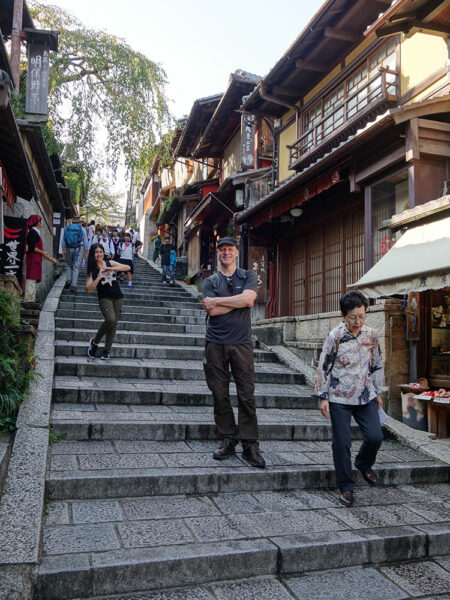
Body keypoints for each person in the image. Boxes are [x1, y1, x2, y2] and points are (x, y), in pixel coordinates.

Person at [316, 290, 384, 508]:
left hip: (366, 394)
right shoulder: (334, 337)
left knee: (375, 436)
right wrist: (323, 397)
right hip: (339, 397)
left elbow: (376, 364)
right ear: (342, 315)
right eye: (353, 317)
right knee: (342, 443)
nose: (358, 321)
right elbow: (323, 368)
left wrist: (378, 391)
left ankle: (363, 463)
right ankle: (346, 486)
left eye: (362, 316)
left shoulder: (371, 335)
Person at [202, 237, 265, 468]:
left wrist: (220, 301)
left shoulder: (247, 276)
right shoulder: (210, 280)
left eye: (229, 249)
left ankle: (250, 444)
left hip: (241, 343)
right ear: (218, 254)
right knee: (219, 392)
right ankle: (227, 439)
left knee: (246, 393)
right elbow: (212, 311)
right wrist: (236, 302)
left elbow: (249, 300)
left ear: (236, 252)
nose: (226, 253)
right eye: (222, 250)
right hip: (215, 343)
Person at [85, 243, 130, 360]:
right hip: (105, 298)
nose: (99, 254)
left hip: (118, 297)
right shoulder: (92, 269)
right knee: (110, 319)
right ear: (93, 254)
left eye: (101, 252)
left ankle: (106, 350)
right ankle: (94, 343)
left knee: (114, 324)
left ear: (103, 253)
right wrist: (99, 277)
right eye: (96, 252)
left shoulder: (110, 263)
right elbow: (89, 289)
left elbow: (127, 267)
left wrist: (112, 268)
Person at [23, 214, 58, 303]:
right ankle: (28, 299)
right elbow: (31, 247)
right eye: (41, 221)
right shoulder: (33, 233)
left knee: (33, 279)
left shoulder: (34, 232)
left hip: (36, 259)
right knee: (31, 278)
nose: (42, 223)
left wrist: (51, 258)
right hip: (33, 259)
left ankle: (31, 298)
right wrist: (42, 253)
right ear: (38, 223)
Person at [61, 216, 89, 292]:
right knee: (76, 266)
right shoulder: (82, 229)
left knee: (69, 265)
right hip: (79, 248)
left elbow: (64, 239)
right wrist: (86, 250)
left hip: (69, 248)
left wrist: (63, 249)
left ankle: (68, 280)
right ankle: (74, 285)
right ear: (79, 222)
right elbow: (86, 240)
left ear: (72, 221)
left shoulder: (67, 228)